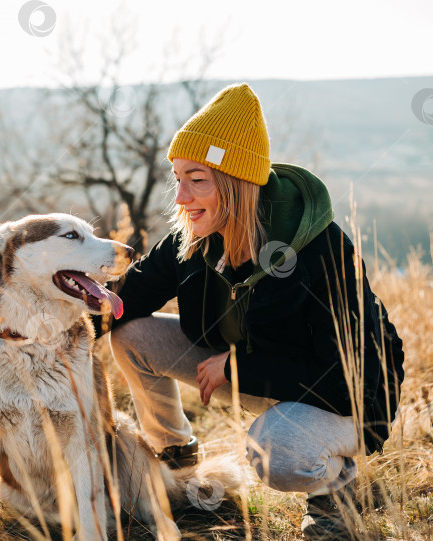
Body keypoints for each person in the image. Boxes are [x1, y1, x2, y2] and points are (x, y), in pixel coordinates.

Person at [91, 83, 405, 539]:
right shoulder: (193, 238)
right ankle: (178, 465)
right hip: (260, 375)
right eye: (177, 178)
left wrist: (239, 368)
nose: (181, 197)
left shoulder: (317, 248)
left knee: (274, 450)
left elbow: (341, 379)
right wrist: (42, 332)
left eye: (197, 179)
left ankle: (335, 492)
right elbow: (124, 301)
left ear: (236, 182)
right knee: (132, 333)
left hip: (349, 400)